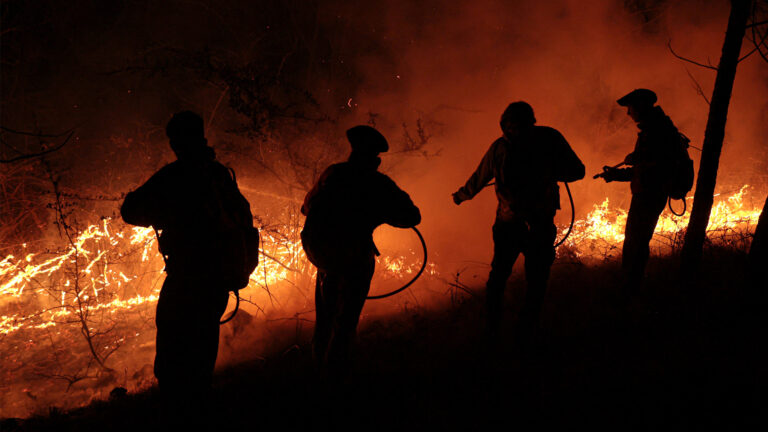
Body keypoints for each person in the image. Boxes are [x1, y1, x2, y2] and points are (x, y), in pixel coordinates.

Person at [121, 111, 255, 423]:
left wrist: (164, 214)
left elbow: (131, 210)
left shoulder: (176, 175)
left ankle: (175, 410)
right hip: (219, 275)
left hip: (188, 276)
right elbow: (243, 217)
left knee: (172, 340)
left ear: (177, 141)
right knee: (203, 340)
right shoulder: (220, 174)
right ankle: (199, 404)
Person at [452, 102, 585, 337]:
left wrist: (548, 170)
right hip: (509, 224)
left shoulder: (548, 139)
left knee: (535, 277)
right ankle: (493, 327)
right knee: (500, 276)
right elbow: (480, 176)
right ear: (504, 126)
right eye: (510, 127)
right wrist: (462, 195)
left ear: (530, 123)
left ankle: (526, 328)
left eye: (519, 126)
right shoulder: (501, 148)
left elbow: (577, 170)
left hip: (538, 223)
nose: (515, 132)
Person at [301, 125, 421, 379]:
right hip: (355, 260)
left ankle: (315, 376)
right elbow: (411, 216)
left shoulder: (332, 173)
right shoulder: (378, 183)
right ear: (376, 158)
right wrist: (382, 212)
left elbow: (307, 207)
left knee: (324, 321)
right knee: (344, 325)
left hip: (326, 261)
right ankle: (335, 380)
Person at [595, 89, 686, 287]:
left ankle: (630, 286)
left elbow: (659, 165)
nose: (628, 113)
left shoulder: (658, 130)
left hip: (650, 195)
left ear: (641, 107)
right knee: (636, 241)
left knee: (635, 243)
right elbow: (643, 171)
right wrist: (616, 175)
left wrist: (639, 158)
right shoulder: (653, 128)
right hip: (647, 192)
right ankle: (631, 283)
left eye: (630, 108)